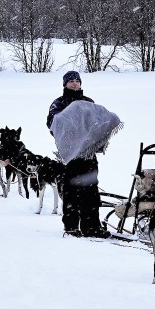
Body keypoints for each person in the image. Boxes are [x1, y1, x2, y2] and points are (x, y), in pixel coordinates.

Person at [47, 71, 111, 238]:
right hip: (70, 155)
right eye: (71, 81)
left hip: (88, 154)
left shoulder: (88, 102)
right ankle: (71, 226)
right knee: (72, 191)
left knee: (91, 191)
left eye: (77, 81)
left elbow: (97, 122)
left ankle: (91, 227)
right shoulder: (58, 103)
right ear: (65, 84)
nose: (74, 84)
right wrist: (72, 132)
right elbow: (53, 124)